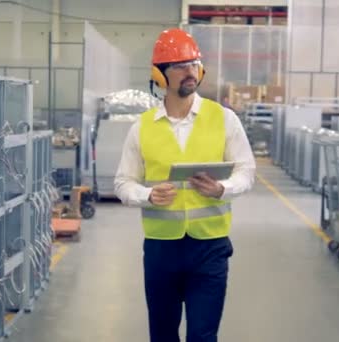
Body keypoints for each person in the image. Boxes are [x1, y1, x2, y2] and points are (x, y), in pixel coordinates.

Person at [114, 28, 256, 342]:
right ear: (160, 75)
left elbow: (247, 171)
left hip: (210, 248)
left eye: (193, 63)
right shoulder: (143, 128)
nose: (189, 71)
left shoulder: (224, 119)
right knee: (163, 335)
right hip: (161, 249)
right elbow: (123, 183)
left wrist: (222, 189)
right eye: (179, 66)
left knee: (203, 336)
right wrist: (148, 195)